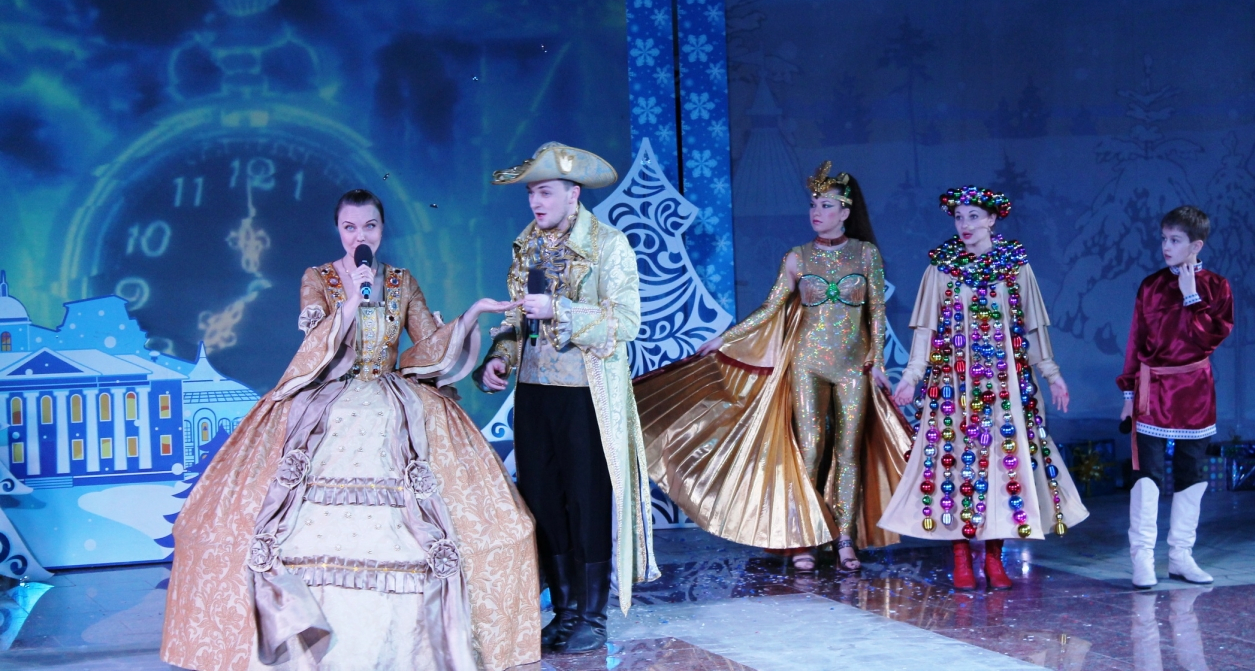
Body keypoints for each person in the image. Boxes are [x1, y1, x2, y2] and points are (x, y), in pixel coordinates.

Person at [162, 189, 540, 671]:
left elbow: (425, 348)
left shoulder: (401, 281)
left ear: (381, 229)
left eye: (370, 226)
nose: (361, 236)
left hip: (390, 398)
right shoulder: (317, 277)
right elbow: (315, 344)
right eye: (350, 227)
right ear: (339, 230)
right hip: (329, 398)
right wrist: (350, 301)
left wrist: (470, 317)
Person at [637, 162, 910, 574]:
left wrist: (878, 362)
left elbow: (876, 312)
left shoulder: (865, 253)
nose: (816, 212)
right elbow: (769, 308)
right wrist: (724, 339)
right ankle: (803, 538)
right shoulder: (797, 256)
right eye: (813, 204)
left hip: (853, 366)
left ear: (845, 211)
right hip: (806, 363)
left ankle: (844, 538)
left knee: (848, 452)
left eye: (826, 205)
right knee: (809, 449)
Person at [474, 142, 659, 654]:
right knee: (544, 501)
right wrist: (499, 358)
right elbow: (516, 317)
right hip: (535, 393)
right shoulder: (526, 246)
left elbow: (627, 321)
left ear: (573, 193)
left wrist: (561, 310)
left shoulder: (608, 244)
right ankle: (565, 611)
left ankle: (592, 617)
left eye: (546, 192)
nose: (537, 202)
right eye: (532, 193)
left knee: (586, 500)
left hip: (585, 394)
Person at [879, 186, 1088, 590]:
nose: (966, 224)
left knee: (1002, 465)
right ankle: (960, 556)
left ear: (992, 220)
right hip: (954, 385)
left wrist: (1052, 374)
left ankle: (994, 557)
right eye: (959, 217)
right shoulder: (941, 267)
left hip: (1004, 384)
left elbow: (1033, 327)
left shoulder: (1014, 265)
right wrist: (911, 377)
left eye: (974, 216)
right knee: (955, 465)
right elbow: (925, 331)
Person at [1119, 205, 1233, 589]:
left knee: (1192, 474)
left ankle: (1181, 557)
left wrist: (1191, 297)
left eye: (1175, 240)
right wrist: (1128, 393)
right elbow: (1136, 342)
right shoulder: (1150, 286)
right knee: (1145, 475)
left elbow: (1209, 339)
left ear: (1196, 245)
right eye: (1164, 239)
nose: (1166, 246)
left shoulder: (1217, 287)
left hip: (1195, 392)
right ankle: (1142, 558)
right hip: (1152, 392)